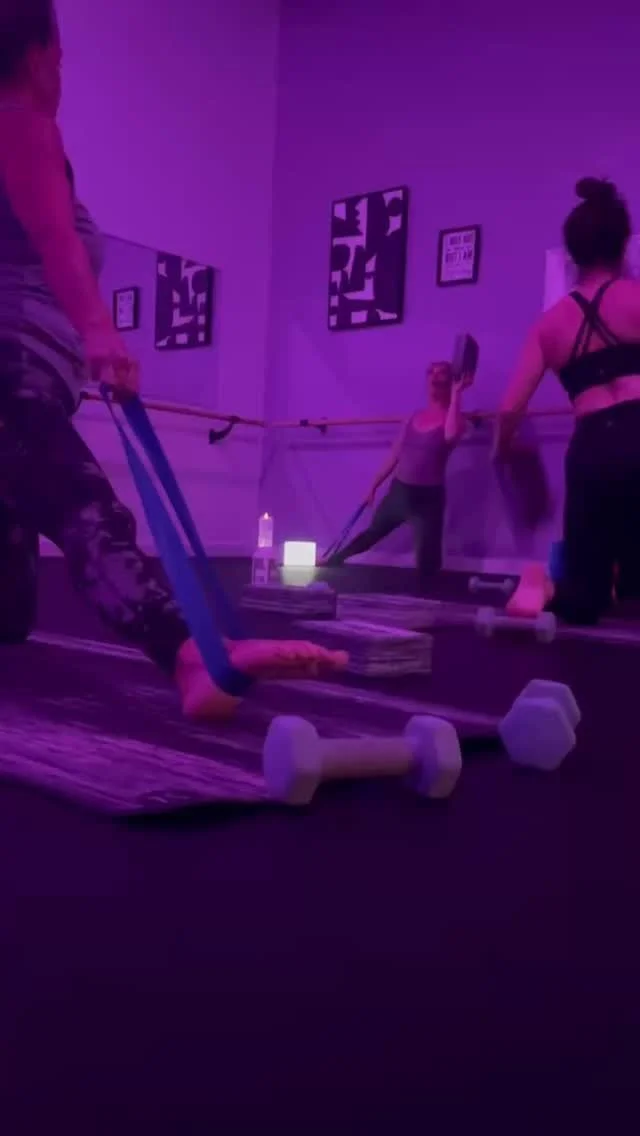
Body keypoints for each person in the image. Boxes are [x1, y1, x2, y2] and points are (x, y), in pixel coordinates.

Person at [0, 0, 346, 721]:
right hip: (13, 378)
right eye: (60, 57)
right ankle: (190, 656)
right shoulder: (21, 122)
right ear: (37, 58)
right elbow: (57, 240)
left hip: (28, 383)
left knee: (9, 610)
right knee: (85, 512)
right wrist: (99, 330)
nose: (62, 71)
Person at [495, 176, 640, 625]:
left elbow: (510, 407)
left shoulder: (549, 325)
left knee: (586, 593)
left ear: (572, 255)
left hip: (591, 446)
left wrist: (503, 448)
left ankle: (551, 587)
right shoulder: (636, 298)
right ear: (623, 245)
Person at [323, 361, 472, 587]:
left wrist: (457, 394)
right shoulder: (413, 417)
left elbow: (451, 436)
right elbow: (395, 455)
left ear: (450, 381)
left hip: (428, 499)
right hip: (400, 492)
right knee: (372, 533)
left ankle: (426, 597)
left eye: (441, 373)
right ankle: (334, 559)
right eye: (431, 372)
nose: (435, 376)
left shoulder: (454, 419)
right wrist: (373, 487)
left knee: (428, 560)